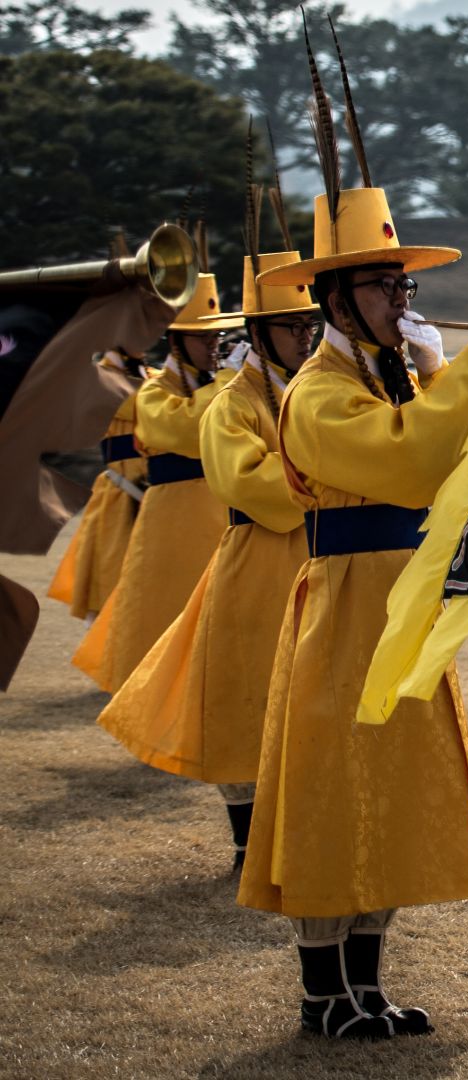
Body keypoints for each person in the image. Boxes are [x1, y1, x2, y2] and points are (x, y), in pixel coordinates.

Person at [236, 40, 468, 1038]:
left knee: (391, 787)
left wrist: (451, 373)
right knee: (336, 788)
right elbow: (406, 461)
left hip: (397, 600)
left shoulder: (383, 378)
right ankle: (324, 994)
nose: (405, 301)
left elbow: (462, 458)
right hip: (350, 604)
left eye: (405, 287)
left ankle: (367, 984)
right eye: (387, 287)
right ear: (338, 299)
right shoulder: (319, 393)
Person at [95, 196, 319, 873]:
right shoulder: (219, 397)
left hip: (311, 556)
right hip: (238, 546)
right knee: (243, 696)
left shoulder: (303, 390)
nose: (305, 338)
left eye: (309, 325)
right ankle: (249, 840)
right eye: (291, 327)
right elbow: (204, 447)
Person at [71, 256, 240, 691]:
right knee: (136, 597)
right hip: (135, 499)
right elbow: (179, 425)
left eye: (218, 336)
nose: (215, 345)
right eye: (205, 337)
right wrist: (227, 379)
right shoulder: (141, 386)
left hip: (212, 509)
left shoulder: (164, 379)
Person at [46, 346, 150, 622]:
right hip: (121, 496)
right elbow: (144, 403)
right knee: (111, 587)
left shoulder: (153, 376)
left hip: (159, 496)